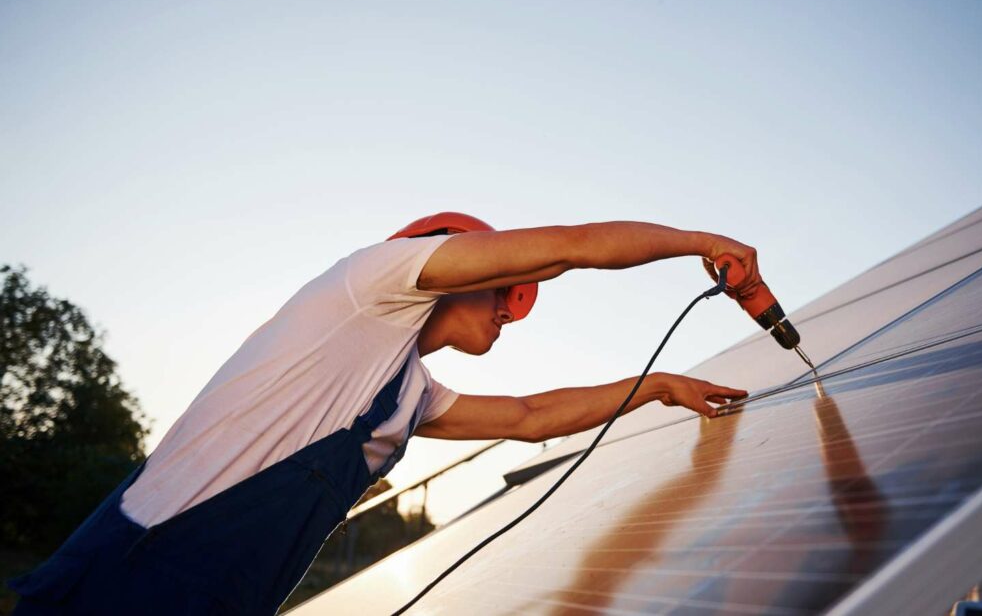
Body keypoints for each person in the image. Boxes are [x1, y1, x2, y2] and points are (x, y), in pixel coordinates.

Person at [9, 212, 755, 615]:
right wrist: (701, 242)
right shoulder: (370, 284)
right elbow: (567, 247)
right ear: (451, 263)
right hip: (131, 578)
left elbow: (531, 415)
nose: (508, 305)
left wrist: (657, 385)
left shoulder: (408, 392)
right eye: (499, 283)